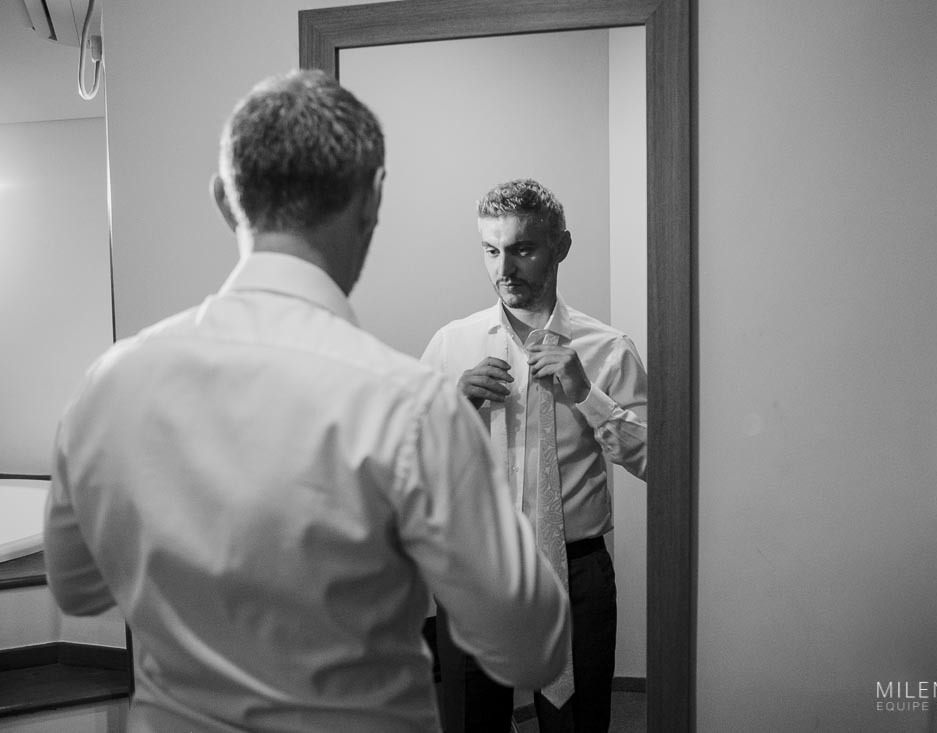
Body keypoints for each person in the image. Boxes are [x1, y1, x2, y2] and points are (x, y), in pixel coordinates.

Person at [42, 70, 569, 733]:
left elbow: (77, 588)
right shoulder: (412, 409)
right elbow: (531, 649)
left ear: (224, 200)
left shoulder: (110, 383)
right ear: (372, 199)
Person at [421, 179, 647, 733]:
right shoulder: (451, 345)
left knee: (576, 724)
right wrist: (453, 406)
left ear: (560, 246)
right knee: (473, 722)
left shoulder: (608, 349)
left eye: (523, 249)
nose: (505, 268)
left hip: (576, 569)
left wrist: (586, 396)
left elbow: (657, 461)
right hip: (474, 566)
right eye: (491, 250)